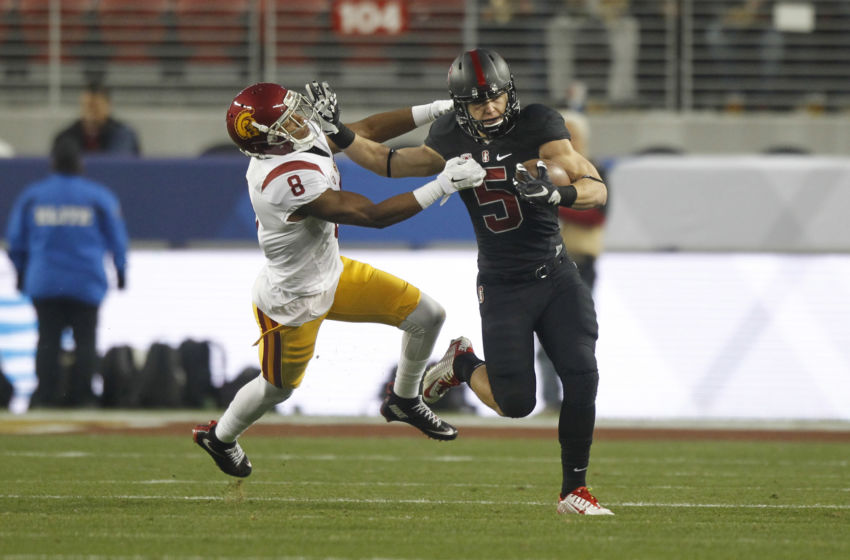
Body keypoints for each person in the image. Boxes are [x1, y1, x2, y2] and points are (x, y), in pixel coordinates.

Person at [310, 49, 612, 515]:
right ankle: (462, 362)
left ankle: (575, 489)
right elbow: (391, 163)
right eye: (476, 101)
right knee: (515, 403)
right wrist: (342, 134)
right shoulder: (449, 135)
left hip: (555, 274)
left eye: (495, 97)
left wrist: (559, 192)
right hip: (502, 283)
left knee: (582, 373)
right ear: (459, 105)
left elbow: (595, 186)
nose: (489, 108)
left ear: (509, 93)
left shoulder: (539, 124)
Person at [192, 82, 486, 478]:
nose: (301, 121)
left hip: (333, 271)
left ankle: (404, 399)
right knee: (277, 388)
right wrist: (442, 185)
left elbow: (363, 131)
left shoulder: (286, 140)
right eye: (288, 119)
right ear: (268, 139)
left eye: (295, 111)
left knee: (428, 316)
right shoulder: (282, 179)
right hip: (294, 300)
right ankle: (221, 438)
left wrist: (437, 107)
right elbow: (372, 215)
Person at [5, 137, 129, 408]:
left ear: (52, 163)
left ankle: (45, 396)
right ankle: (83, 397)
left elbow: (15, 242)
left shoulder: (34, 196)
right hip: (86, 283)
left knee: (47, 339)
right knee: (85, 341)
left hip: (45, 282)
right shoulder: (97, 196)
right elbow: (117, 240)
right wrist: (120, 273)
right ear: (79, 163)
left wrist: (21, 274)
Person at [535, 110, 608, 413]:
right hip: (545, 262)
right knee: (546, 337)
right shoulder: (541, 170)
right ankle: (552, 400)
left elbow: (595, 215)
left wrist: (554, 198)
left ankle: (578, 400)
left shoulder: (594, 172)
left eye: (573, 135)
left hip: (579, 259)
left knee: (576, 336)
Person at [52, 82, 141, 156]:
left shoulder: (124, 135)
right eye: (87, 106)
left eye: (95, 107)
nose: (90, 112)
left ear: (108, 106)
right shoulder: (66, 137)